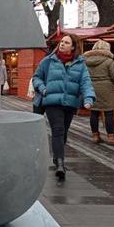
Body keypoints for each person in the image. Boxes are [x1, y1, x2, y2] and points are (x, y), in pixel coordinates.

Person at [32, 34, 95, 181]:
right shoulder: (49, 60)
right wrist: (43, 88)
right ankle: (60, 163)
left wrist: (89, 98)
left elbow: (86, 82)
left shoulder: (80, 64)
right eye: (61, 42)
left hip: (70, 103)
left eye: (66, 42)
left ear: (73, 47)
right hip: (52, 101)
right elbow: (37, 77)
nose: (62, 44)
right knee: (58, 130)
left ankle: (57, 158)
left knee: (63, 132)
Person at [84, 40, 114, 146]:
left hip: (91, 88)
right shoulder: (108, 61)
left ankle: (95, 136)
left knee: (94, 113)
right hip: (106, 90)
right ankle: (111, 137)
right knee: (108, 113)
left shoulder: (86, 61)